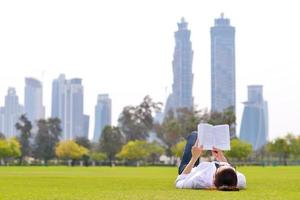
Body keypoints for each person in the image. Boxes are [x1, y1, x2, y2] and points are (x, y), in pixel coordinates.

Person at [175, 132, 246, 191]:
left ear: (213, 178)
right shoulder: (240, 181)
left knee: (194, 135)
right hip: (200, 169)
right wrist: (221, 157)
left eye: (218, 166)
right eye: (228, 166)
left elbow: (179, 180)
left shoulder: (198, 180)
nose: (221, 163)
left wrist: (194, 157)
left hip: (190, 171)